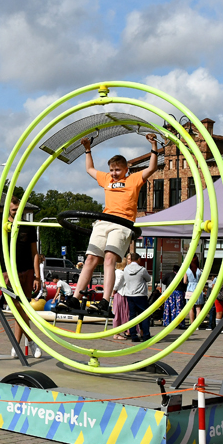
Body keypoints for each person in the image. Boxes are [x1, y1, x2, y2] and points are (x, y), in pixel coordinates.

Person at [59, 134, 158, 314]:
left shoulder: (133, 179)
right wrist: (87, 149)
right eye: (111, 170)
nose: (113, 173)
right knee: (90, 259)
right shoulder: (107, 180)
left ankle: (105, 301)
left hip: (122, 223)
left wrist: (153, 145)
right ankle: (75, 298)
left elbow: (152, 167)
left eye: (117, 170)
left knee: (110, 258)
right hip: (104, 222)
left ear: (126, 169)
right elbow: (89, 168)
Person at [0, 196, 42, 358]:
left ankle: (16, 344)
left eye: (18, 209)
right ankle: (31, 341)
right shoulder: (0, 226)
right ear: (7, 210)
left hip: (26, 271)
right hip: (8, 272)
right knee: (17, 308)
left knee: (22, 309)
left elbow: (35, 254)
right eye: (13, 209)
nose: (16, 211)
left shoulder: (28, 226)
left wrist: (37, 277)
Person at [122, 253, 152, 342]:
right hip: (140, 294)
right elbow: (148, 279)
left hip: (129, 294)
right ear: (138, 259)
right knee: (145, 315)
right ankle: (146, 334)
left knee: (132, 315)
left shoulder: (126, 269)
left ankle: (133, 334)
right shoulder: (142, 270)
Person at [183, 255, 205, 327]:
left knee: (191, 308)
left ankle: (192, 324)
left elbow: (184, 281)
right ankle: (197, 325)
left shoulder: (187, 270)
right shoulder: (200, 270)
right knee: (198, 308)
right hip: (198, 289)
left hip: (189, 289)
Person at [162, 265, 185, 329]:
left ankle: (168, 321)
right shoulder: (181, 275)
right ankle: (178, 323)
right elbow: (185, 283)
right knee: (178, 308)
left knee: (169, 307)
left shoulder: (168, 274)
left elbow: (163, 281)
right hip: (179, 293)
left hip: (170, 292)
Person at [111, 261, 130, 340]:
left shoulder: (117, 272)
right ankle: (117, 333)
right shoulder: (120, 273)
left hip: (121, 293)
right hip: (120, 293)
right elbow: (117, 283)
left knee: (120, 313)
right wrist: (114, 291)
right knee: (118, 313)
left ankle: (122, 330)